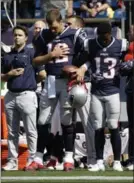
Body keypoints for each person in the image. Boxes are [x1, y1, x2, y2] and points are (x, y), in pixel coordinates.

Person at [25, 9, 87, 171]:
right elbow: (36, 61)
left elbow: (89, 53)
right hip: (50, 81)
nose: (52, 30)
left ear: (61, 21)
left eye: (55, 27)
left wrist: (81, 69)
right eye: (50, 27)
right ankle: (38, 158)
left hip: (67, 82)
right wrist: (51, 55)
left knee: (67, 120)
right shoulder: (43, 35)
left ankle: (68, 158)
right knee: (42, 121)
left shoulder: (74, 34)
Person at [76, 22, 128, 171]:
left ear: (110, 34)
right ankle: (99, 161)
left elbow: (126, 60)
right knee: (98, 126)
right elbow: (85, 60)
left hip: (113, 91)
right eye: (100, 36)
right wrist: (83, 67)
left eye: (105, 36)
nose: (103, 40)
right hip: (96, 92)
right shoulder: (91, 44)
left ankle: (117, 161)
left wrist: (125, 65)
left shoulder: (121, 44)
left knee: (112, 126)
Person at [1, 25, 46, 171]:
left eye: (20, 35)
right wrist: (10, 74)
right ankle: (12, 161)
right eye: (15, 35)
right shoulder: (7, 55)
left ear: (26, 38)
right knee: (12, 131)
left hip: (27, 94)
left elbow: (42, 74)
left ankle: (32, 160)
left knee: (30, 130)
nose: (17, 37)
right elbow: (2, 77)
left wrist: (30, 84)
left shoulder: (33, 53)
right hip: (11, 95)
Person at [66, 15, 97, 169]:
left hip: (82, 83)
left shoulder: (83, 38)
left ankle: (92, 158)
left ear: (78, 26)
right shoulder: (64, 39)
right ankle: (65, 158)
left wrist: (83, 68)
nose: (66, 26)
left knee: (87, 122)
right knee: (65, 124)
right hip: (65, 83)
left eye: (69, 24)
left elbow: (92, 56)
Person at [120, 25, 134, 171]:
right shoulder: (128, 48)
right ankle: (132, 158)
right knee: (132, 127)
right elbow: (122, 68)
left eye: (132, 30)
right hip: (131, 89)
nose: (129, 33)